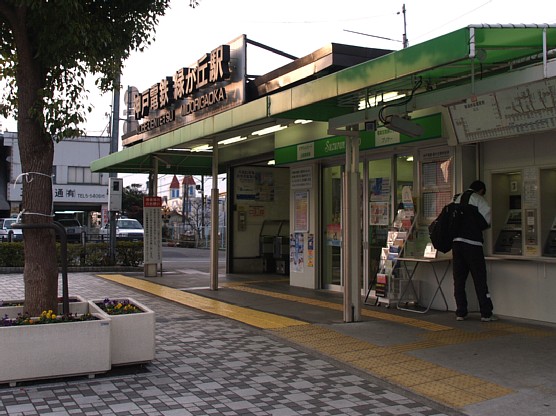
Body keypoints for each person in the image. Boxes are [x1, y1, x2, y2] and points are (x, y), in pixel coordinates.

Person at [452, 180, 497, 322]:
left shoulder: (457, 198)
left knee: (459, 280)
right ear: (481, 190)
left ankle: (460, 312)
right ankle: (486, 313)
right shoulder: (478, 199)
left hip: (457, 244)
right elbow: (487, 216)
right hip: (473, 244)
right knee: (479, 279)